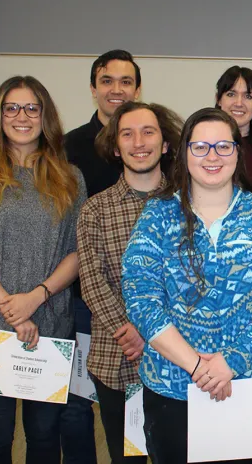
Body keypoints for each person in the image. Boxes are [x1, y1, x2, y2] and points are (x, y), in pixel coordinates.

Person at [121, 107, 252, 464]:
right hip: (173, 386)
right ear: (184, 152)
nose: (212, 156)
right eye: (200, 147)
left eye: (223, 146)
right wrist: (197, 367)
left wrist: (231, 361)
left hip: (250, 382)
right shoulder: (158, 214)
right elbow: (141, 298)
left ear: (238, 152)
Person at [0, 75, 86, 463]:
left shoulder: (69, 177)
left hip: (51, 324)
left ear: (45, 116)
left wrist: (35, 298)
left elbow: (77, 252)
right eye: (11, 108)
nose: (22, 116)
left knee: (44, 435)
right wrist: (12, 307)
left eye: (31, 108)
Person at [77, 101, 181, 464]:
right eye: (127, 134)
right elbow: (92, 281)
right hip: (117, 356)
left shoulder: (187, 205)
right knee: (127, 458)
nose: (139, 142)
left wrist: (152, 331)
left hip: (177, 359)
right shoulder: (95, 209)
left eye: (148, 132)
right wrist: (130, 330)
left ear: (164, 144)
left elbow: (192, 281)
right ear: (116, 147)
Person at [64, 49, 143, 462]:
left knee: (142, 411)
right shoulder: (69, 147)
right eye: (107, 81)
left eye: (126, 81)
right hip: (86, 298)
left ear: (137, 89)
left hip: (148, 306)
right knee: (78, 403)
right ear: (93, 87)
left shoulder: (154, 146)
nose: (116, 89)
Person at [215, 65, 252, 180]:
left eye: (248, 96)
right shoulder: (201, 146)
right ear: (218, 99)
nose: (239, 103)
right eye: (231, 94)